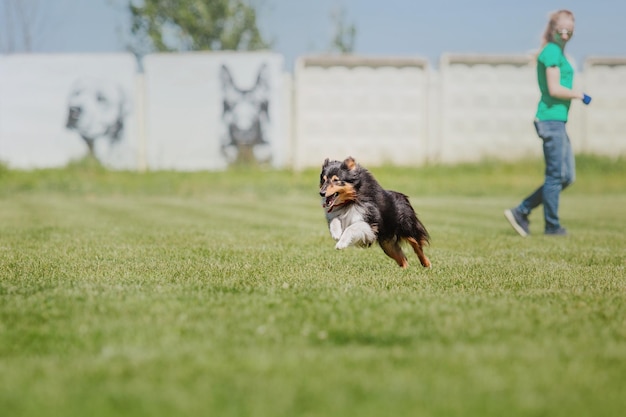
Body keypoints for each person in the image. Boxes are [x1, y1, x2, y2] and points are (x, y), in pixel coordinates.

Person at [505, 9, 591, 237]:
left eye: (569, 31)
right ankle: (552, 226)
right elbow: (554, 89)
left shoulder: (557, 52)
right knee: (555, 176)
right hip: (550, 120)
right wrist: (579, 94)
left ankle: (521, 210)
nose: (565, 35)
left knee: (567, 176)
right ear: (552, 30)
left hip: (558, 121)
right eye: (561, 30)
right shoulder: (552, 52)